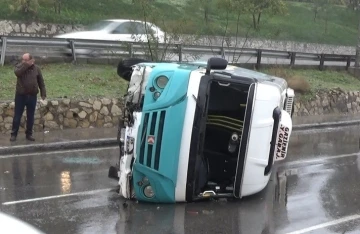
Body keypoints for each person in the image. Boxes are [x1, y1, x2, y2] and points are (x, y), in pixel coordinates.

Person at [10, 53, 46, 142]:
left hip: (32, 96)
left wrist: (43, 93)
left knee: (30, 116)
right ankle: (14, 134)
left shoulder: (36, 69)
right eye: (23, 60)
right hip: (20, 96)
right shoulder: (19, 67)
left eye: (26, 60)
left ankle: (29, 134)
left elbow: (41, 82)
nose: (24, 62)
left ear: (31, 60)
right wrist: (26, 64)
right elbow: (17, 73)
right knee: (17, 116)